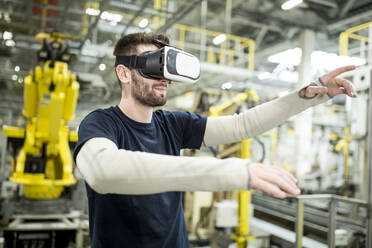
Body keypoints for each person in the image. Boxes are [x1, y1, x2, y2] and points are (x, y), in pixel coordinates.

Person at [74, 32, 356, 248]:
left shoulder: (172, 124)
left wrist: (306, 97)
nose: (163, 78)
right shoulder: (101, 123)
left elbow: (241, 125)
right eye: (152, 66)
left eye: (166, 68)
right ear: (123, 72)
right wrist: (234, 171)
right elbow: (103, 172)